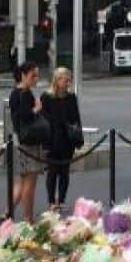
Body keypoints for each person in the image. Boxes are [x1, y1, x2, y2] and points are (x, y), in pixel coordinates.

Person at [40, 67, 81, 211]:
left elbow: (76, 119)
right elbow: (43, 121)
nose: (68, 82)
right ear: (57, 80)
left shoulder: (71, 97)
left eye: (69, 79)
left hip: (67, 140)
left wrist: (78, 139)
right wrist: (45, 143)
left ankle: (61, 200)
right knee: (52, 172)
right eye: (65, 79)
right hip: (52, 140)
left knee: (65, 171)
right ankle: (51, 201)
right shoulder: (46, 97)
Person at [8, 61, 43, 223]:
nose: (36, 79)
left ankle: (7, 212)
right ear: (23, 75)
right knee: (30, 182)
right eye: (33, 75)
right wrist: (37, 108)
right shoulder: (25, 93)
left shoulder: (14, 93)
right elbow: (26, 116)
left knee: (21, 182)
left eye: (37, 75)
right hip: (29, 142)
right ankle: (28, 218)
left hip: (19, 140)